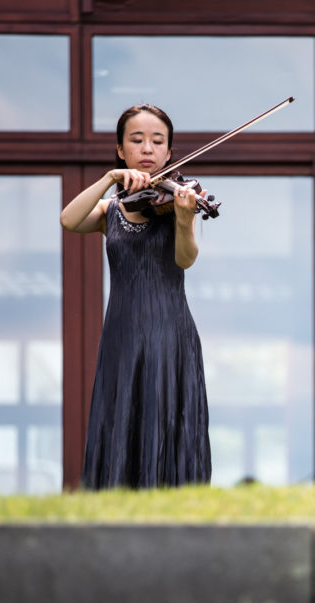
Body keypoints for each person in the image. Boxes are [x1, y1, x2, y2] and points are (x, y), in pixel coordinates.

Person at [60, 104, 211, 488]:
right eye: (137, 140)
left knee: (166, 418)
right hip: (122, 334)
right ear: (120, 149)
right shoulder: (110, 210)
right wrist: (109, 178)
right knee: (122, 418)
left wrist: (184, 221)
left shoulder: (179, 202)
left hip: (168, 333)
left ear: (169, 152)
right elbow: (69, 220)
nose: (147, 148)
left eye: (157, 141)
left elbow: (185, 259)